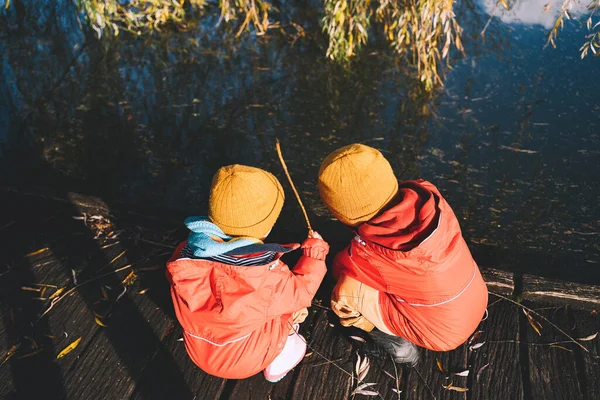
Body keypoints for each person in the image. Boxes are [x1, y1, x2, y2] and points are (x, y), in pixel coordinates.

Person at [317, 144, 488, 364]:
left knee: (344, 295)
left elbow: (340, 267)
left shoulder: (366, 255)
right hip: (476, 294)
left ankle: (398, 346)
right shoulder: (429, 196)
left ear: (342, 215)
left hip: (443, 334)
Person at [166, 164, 329, 381]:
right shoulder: (267, 276)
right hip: (244, 362)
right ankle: (280, 360)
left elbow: (171, 278)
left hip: (198, 351)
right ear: (266, 229)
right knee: (290, 311)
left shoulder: (184, 256)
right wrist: (314, 253)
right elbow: (302, 292)